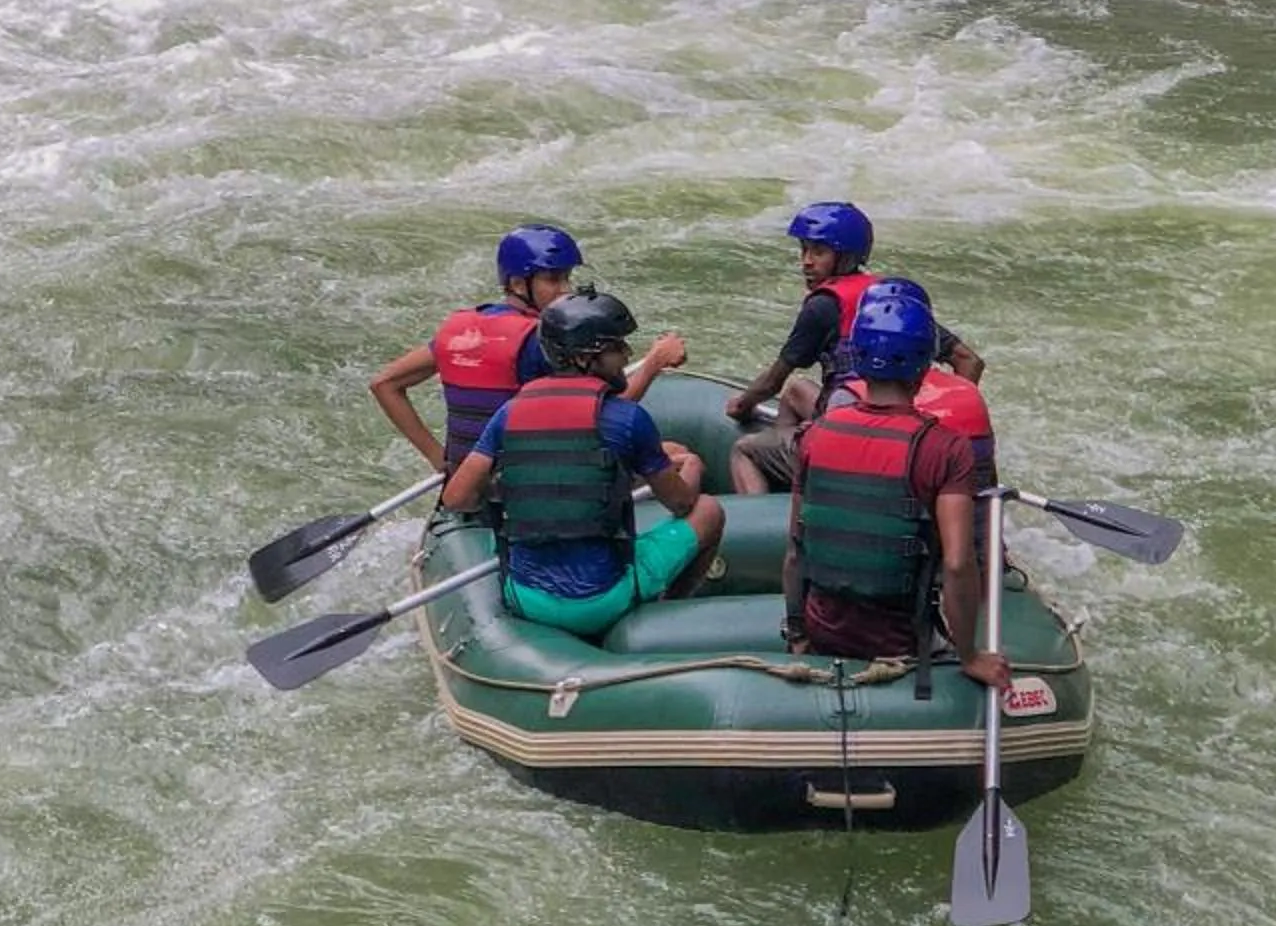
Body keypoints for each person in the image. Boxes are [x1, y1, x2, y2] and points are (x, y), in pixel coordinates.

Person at [441, 290, 722, 636]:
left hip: (524, 598)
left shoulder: (509, 413)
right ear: (587, 357)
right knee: (708, 510)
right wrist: (691, 472)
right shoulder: (628, 418)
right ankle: (663, 611)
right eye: (617, 347)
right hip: (601, 602)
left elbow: (456, 498)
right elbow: (680, 503)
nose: (626, 355)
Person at [783, 280, 1009, 690]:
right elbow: (959, 564)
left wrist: (798, 633)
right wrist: (971, 655)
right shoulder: (946, 448)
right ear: (926, 366)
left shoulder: (815, 434)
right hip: (903, 640)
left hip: (822, 632)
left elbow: (796, 548)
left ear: (858, 358)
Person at [368, 226, 688, 474]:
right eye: (553, 279)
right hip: (532, 480)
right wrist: (654, 362)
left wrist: (440, 459)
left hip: (470, 476)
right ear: (520, 284)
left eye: (567, 278)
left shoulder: (458, 330)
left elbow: (385, 384)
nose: (565, 291)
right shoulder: (540, 342)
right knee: (680, 457)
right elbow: (603, 415)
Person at [725, 202, 983, 494]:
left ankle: (785, 498)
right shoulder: (895, 304)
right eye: (804, 250)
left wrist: (742, 405)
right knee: (797, 390)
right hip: (896, 425)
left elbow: (773, 381)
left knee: (744, 449)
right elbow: (968, 360)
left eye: (818, 252)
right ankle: (796, 466)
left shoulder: (822, 307)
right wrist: (941, 419)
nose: (806, 262)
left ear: (845, 257)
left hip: (852, 431)